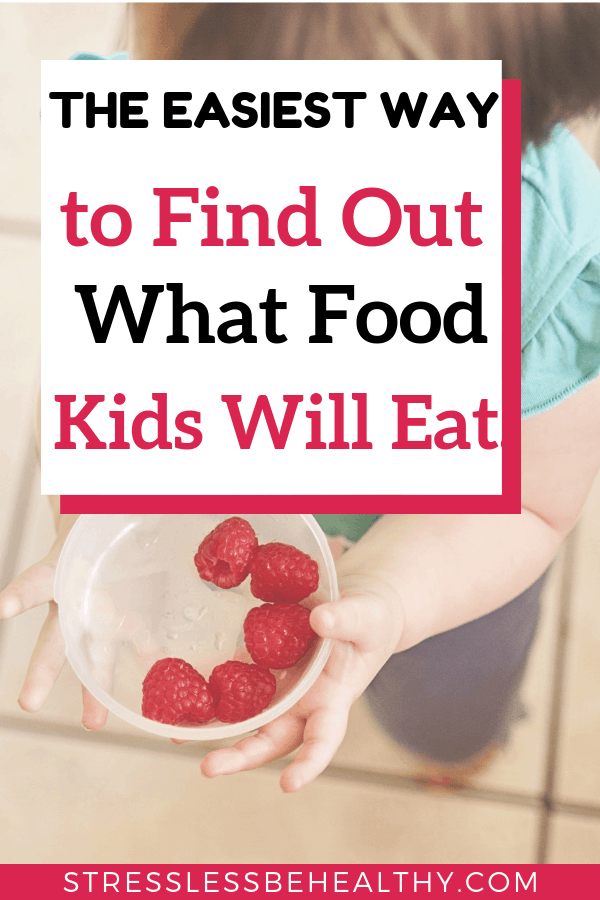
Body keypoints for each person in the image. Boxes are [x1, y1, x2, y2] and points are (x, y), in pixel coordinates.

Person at [2, 2, 600, 792]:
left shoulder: (547, 254)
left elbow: (529, 504)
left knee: (444, 708)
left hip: (438, 552)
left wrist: (392, 591)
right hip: (217, 515)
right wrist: (92, 502)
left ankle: (457, 747)